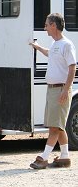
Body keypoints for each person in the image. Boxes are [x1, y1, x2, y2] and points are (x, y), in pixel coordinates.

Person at [29, 13, 76, 169]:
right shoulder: (56, 44)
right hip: (52, 90)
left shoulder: (67, 44)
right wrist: (37, 47)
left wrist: (66, 89)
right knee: (58, 125)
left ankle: (43, 157)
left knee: (54, 127)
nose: (45, 28)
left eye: (47, 25)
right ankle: (65, 157)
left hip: (60, 89)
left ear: (54, 25)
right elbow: (49, 53)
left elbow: (72, 67)